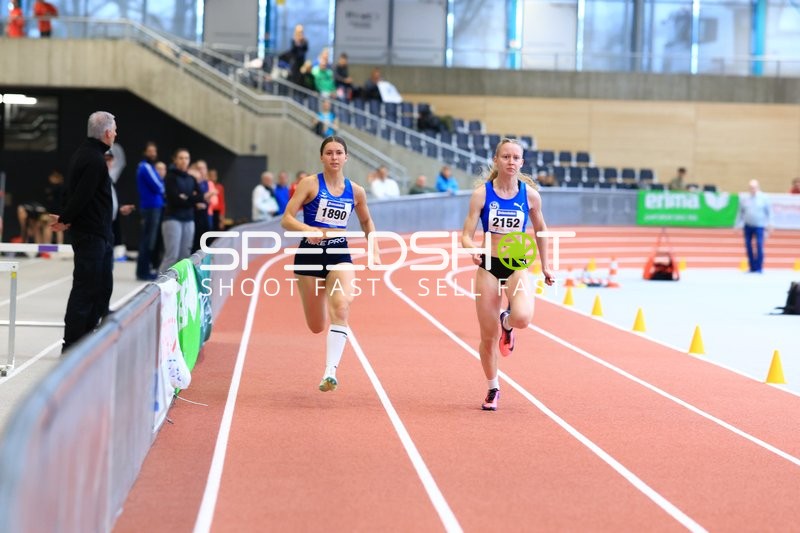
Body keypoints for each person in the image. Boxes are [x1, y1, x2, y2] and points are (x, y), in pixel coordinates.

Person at [461, 138, 555, 411]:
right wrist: (471, 249)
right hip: (489, 264)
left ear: (522, 162)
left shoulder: (530, 196)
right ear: (496, 160)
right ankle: (493, 388)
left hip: (517, 263)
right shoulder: (481, 194)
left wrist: (547, 265)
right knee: (488, 336)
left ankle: (508, 323)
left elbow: (541, 230)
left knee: (523, 317)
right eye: (506, 157)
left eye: (516, 158)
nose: (511, 162)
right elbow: (466, 234)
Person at [281, 136, 381, 392]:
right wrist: (307, 228)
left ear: (346, 157)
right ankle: (325, 310)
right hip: (309, 256)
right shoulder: (310, 184)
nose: (334, 157)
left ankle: (330, 372)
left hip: (338, 254)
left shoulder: (356, 191)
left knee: (342, 307)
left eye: (339, 153)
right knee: (316, 326)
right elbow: (287, 219)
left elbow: (367, 222)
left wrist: (374, 249)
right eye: (329, 153)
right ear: (322, 157)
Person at [48, 111, 117, 352]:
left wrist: (67, 219)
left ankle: (86, 342)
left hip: (96, 234)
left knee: (96, 288)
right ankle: (72, 347)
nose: (116, 134)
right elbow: (81, 196)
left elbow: (74, 193)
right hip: (91, 235)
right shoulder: (94, 159)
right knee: (85, 290)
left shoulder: (85, 155)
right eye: (115, 130)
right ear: (107, 133)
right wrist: (66, 219)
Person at [159, 148, 204, 273]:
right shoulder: (170, 177)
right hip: (173, 218)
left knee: (185, 256)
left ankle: (180, 287)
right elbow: (175, 199)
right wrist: (192, 199)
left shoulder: (191, 179)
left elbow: (201, 196)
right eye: (181, 158)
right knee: (172, 255)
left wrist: (186, 197)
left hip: (189, 219)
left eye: (186, 158)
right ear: (175, 160)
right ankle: (160, 286)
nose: (184, 161)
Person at [135, 142, 164, 281]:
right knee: (147, 241)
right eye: (150, 151)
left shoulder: (149, 167)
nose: (153, 153)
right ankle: (142, 271)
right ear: (145, 152)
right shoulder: (145, 167)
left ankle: (145, 270)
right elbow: (158, 186)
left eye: (155, 151)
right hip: (151, 207)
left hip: (153, 207)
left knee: (149, 240)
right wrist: (167, 191)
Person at [739, 179, 772, 273]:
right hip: (748, 225)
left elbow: (769, 212)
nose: (752, 189)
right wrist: (737, 224)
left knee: (759, 245)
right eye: (750, 188)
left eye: (754, 187)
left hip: (760, 226)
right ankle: (752, 267)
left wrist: (770, 224)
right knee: (748, 246)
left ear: (758, 187)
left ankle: (759, 267)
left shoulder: (764, 198)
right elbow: (740, 212)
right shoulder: (745, 198)